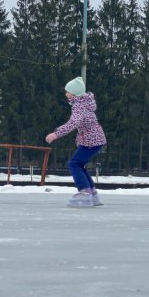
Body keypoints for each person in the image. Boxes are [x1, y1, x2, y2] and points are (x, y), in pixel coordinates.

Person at [45, 76, 107, 207]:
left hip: (91, 141)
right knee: (79, 164)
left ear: (74, 93)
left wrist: (56, 134)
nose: (66, 94)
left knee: (74, 164)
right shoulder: (84, 103)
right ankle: (92, 193)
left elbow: (73, 123)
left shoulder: (79, 105)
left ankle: (85, 192)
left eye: (67, 91)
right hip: (95, 140)